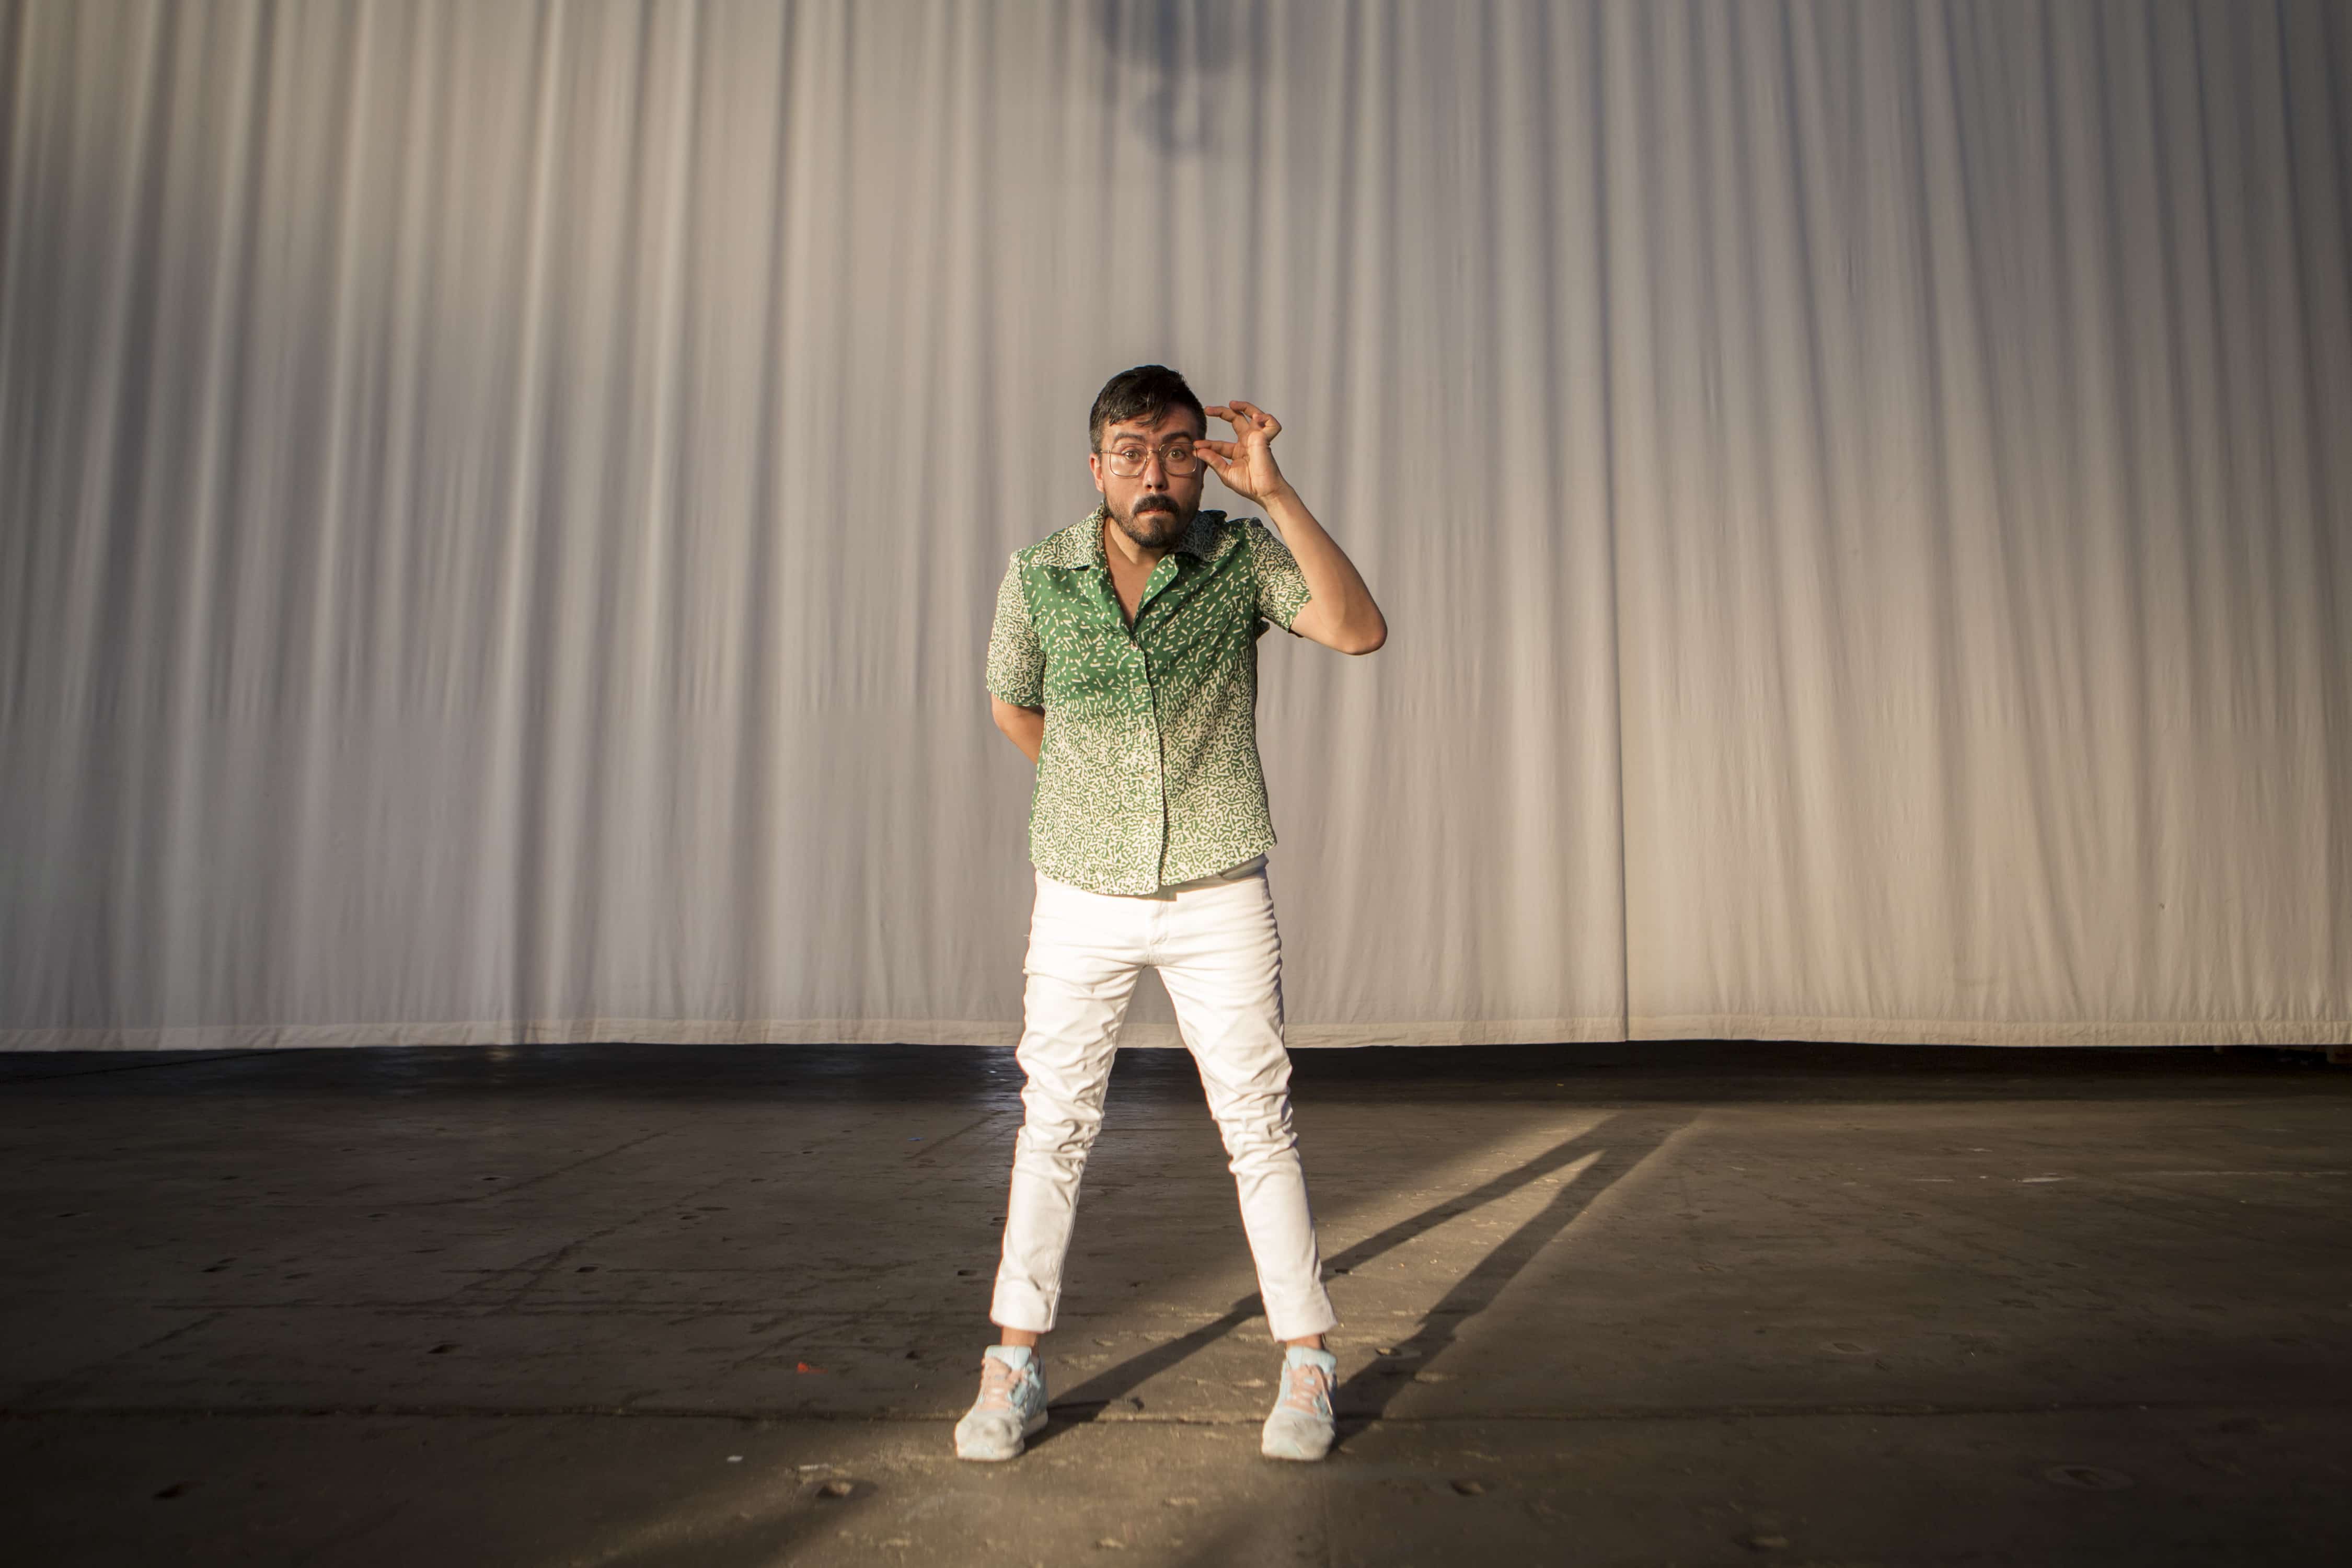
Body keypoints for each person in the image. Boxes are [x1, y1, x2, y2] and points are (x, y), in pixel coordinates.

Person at [958, 364, 1387, 1465]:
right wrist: (1102, 800)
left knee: (1257, 1125)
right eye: (1133, 453)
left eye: (1179, 453)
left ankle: (1307, 1362)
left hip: (1216, 891)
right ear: (1097, 465)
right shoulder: (1039, 574)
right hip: (1081, 892)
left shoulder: (1238, 559)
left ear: (1204, 463)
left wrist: (1275, 493)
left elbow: (1357, 631)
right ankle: (1013, 1365)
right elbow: (1011, 702)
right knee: (1053, 1125)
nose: (1156, 474)